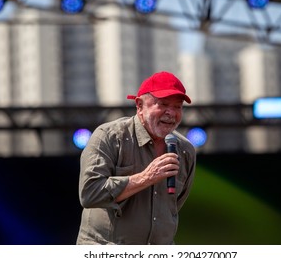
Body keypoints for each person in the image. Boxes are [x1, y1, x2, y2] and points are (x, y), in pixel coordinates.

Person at [76, 71, 196, 245]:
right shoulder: (109, 136)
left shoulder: (185, 150)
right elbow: (90, 194)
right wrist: (146, 177)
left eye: (178, 106)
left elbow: (173, 207)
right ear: (139, 105)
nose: (171, 113)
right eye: (163, 104)